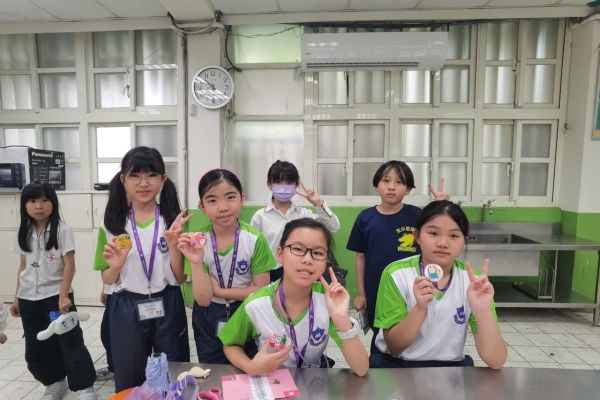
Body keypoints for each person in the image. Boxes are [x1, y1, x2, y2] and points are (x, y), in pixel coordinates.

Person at [94, 146, 191, 392]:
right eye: (135, 175)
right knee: (129, 372)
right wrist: (115, 267)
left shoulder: (173, 222)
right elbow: (107, 277)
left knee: (173, 369)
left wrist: (174, 246)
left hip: (167, 301)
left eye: (152, 175)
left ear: (163, 179)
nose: (143, 183)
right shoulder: (112, 224)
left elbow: (180, 278)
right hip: (126, 305)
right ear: (123, 180)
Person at [218, 218, 369, 377]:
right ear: (280, 254)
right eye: (297, 249)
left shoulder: (327, 300)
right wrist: (249, 367)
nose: (307, 259)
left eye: (318, 253)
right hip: (272, 381)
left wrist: (341, 318)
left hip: (313, 383)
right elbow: (230, 345)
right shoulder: (256, 304)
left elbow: (361, 369)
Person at [370, 200, 507, 369]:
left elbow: (496, 361)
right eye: (433, 233)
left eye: (454, 236)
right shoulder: (396, 274)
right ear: (417, 236)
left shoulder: (474, 284)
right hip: (398, 364)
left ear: (464, 241)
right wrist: (420, 308)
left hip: (450, 367)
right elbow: (395, 347)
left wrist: (482, 311)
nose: (443, 243)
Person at [10, 181, 96, 400]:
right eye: (32, 201)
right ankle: (54, 382)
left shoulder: (62, 230)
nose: (39, 205)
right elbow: (23, 266)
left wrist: (63, 296)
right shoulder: (23, 231)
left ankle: (84, 387)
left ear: (53, 203)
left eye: (45, 200)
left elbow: (69, 265)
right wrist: (17, 297)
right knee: (37, 345)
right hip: (28, 298)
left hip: (55, 297)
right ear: (24, 205)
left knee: (70, 342)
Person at [346, 160, 449, 344]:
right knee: (381, 333)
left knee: (414, 330)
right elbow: (360, 257)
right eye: (386, 181)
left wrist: (439, 208)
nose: (391, 186)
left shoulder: (417, 216)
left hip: (413, 288)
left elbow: (438, 235)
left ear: (408, 189)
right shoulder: (365, 218)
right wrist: (361, 294)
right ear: (376, 186)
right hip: (376, 289)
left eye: (399, 182)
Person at [186, 169, 275, 364]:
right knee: (211, 368)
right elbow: (203, 299)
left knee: (248, 366)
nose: (223, 207)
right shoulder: (197, 242)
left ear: (242, 199)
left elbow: (261, 290)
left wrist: (220, 291)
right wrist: (196, 262)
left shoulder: (254, 240)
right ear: (201, 206)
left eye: (230, 197)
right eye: (212, 200)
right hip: (208, 314)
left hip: (246, 310)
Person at [250, 160, 340, 282]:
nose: (283, 187)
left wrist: (318, 203)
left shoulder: (304, 214)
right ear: (269, 185)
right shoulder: (260, 216)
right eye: (278, 182)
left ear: (295, 186)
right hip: (270, 274)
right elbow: (252, 251)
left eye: (289, 182)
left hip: (300, 271)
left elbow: (333, 227)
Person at [95, 285, 114, 381]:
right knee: (107, 333)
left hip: (132, 292)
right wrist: (105, 288)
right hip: (114, 290)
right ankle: (114, 367)